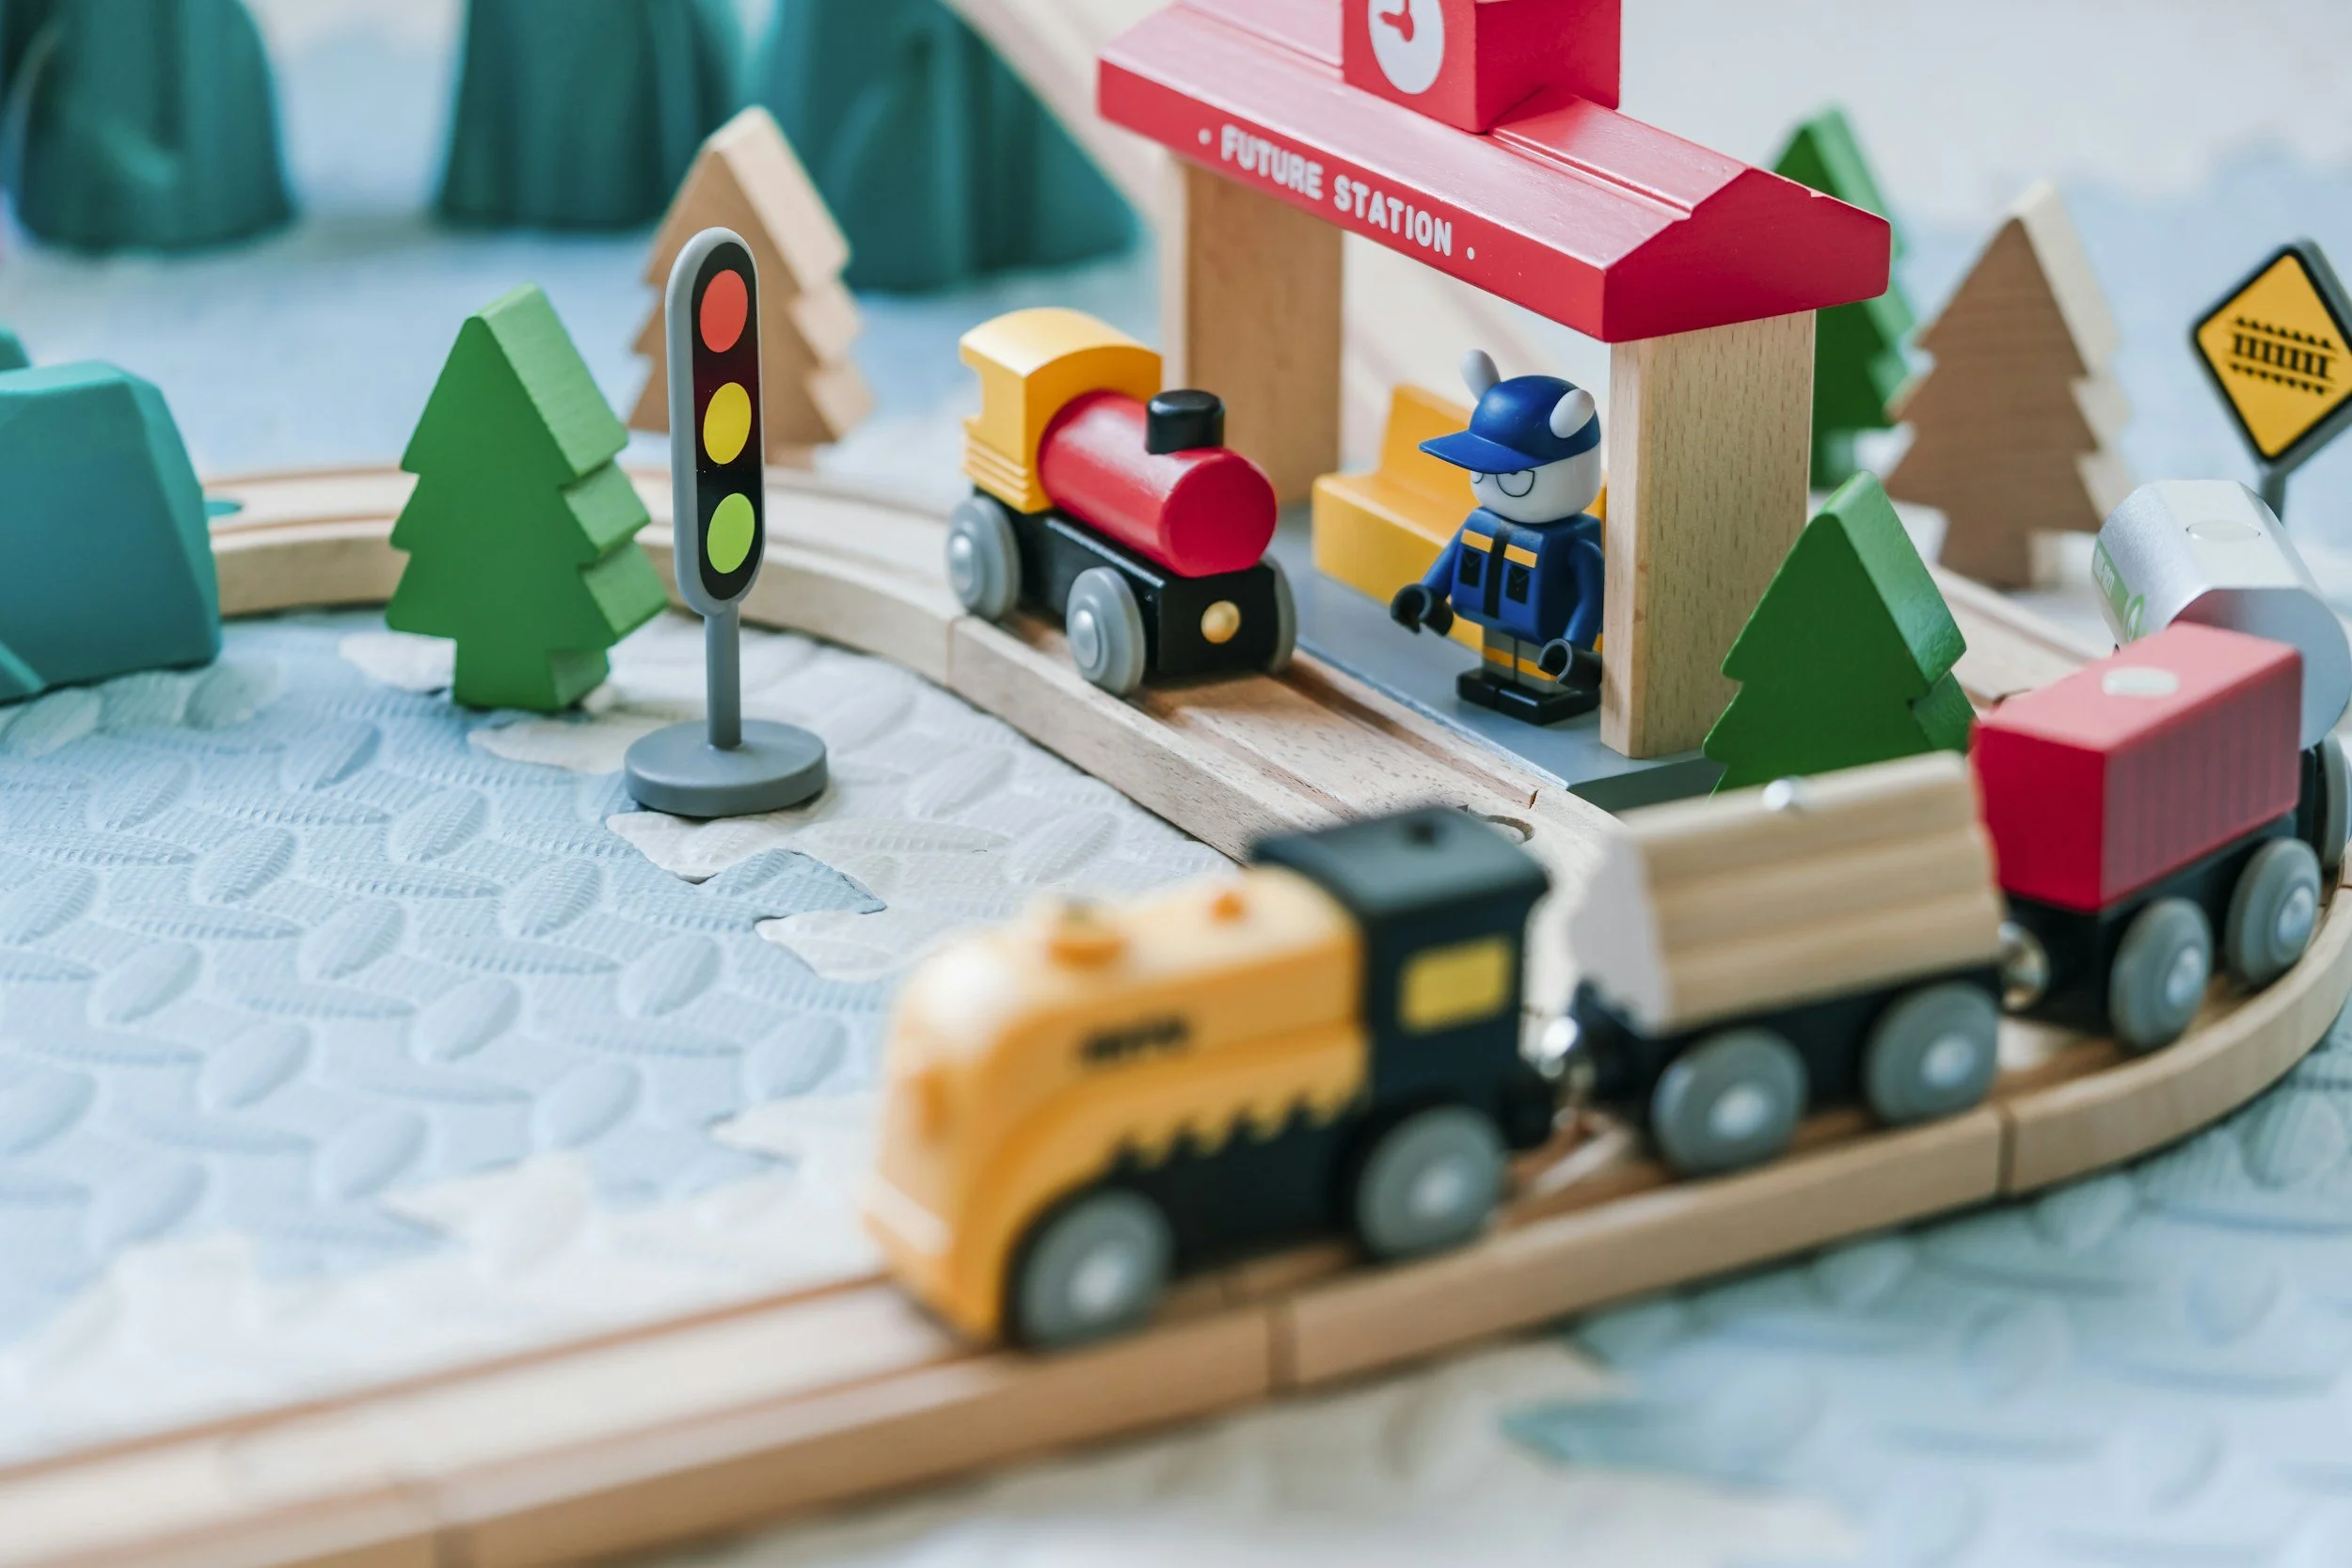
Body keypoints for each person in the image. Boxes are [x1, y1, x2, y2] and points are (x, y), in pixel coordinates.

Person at [1391, 350, 1605, 724]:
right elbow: (1455, 556)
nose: (1492, 482)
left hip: (1546, 644)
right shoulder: (1483, 523)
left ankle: (1548, 691)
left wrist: (1574, 646)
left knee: (1536, 670)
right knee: (1499, 656)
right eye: (1481, 471)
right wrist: (1428, 592)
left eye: (1511, 475)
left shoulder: (1575, 542)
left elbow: (1592, 597)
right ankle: (1496, 680)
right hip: (1493, 616)